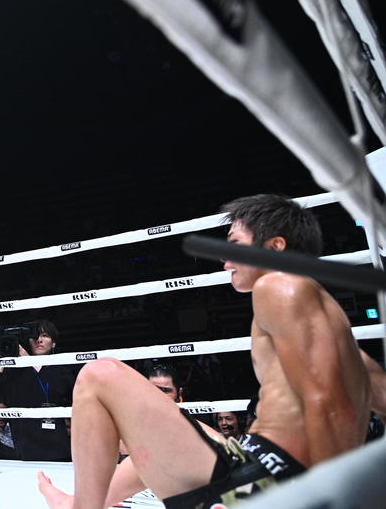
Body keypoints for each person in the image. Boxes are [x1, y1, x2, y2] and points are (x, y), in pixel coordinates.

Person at [39, 194, 386, 509]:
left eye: (235, 244)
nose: (224, 257)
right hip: (256, 467)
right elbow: (378, 397)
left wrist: (324, 497)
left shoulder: (278, 285)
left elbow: (326, 403)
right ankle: (80, 503)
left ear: (275, 246)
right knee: (167, 427)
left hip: (262, 484)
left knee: (98, 375)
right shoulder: (336, 329)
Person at [0, 319, 74, 461]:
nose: (39, 340)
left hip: (54, 448)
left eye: (44, 335)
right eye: (34, 336)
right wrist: (1, 365)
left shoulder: (61, 368)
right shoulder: (16, 370)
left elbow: (55, 392)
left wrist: (29, 362)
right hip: (24, 449)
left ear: (53, 343)